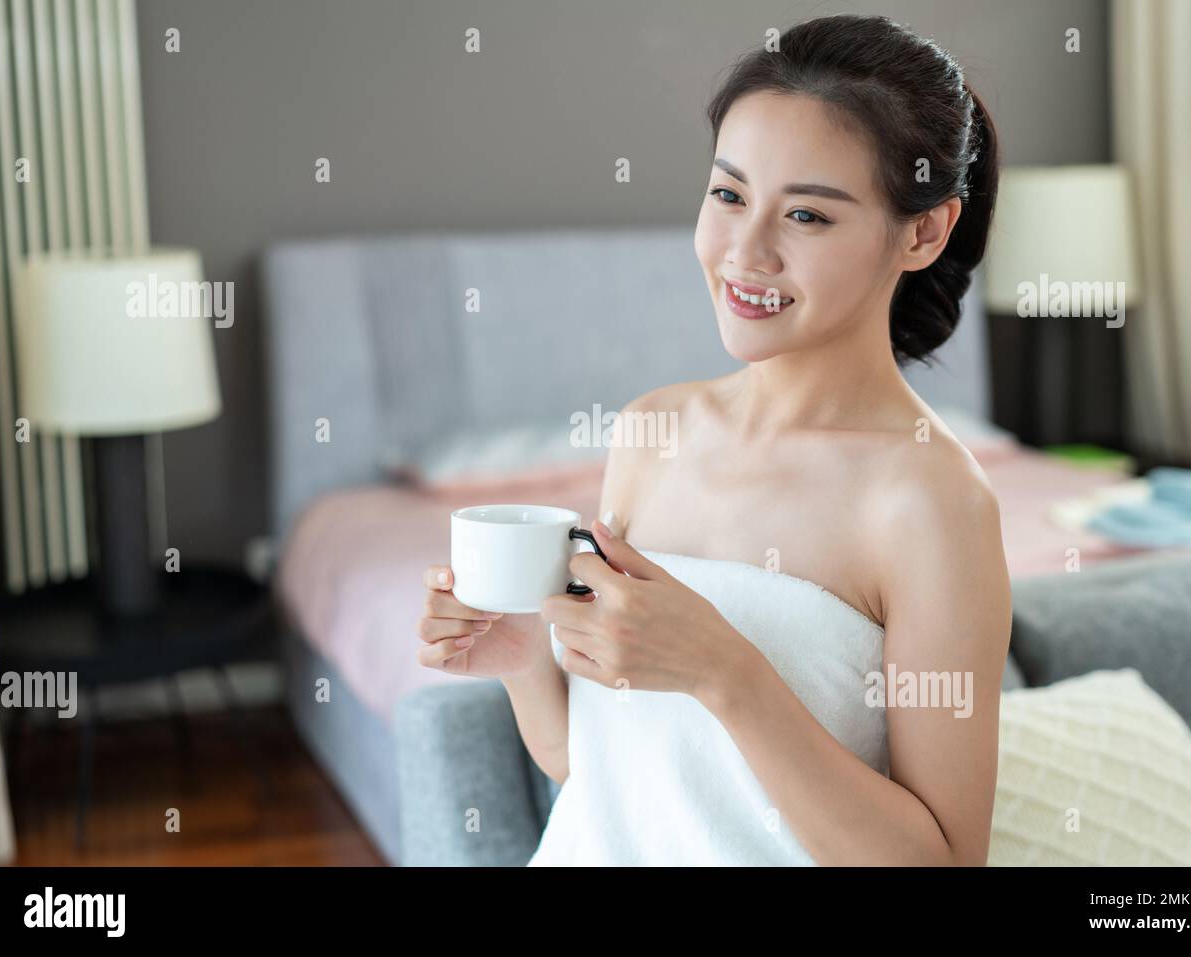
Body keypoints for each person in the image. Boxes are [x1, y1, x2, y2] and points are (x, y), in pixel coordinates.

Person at [416, 13, 1011, 866]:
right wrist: (517, 659)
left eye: (806, 216)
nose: (745, 252)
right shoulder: (651, 433)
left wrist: (726, 673)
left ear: (923, 231)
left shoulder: (930, 504)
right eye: (729, 195)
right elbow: (604, 774)